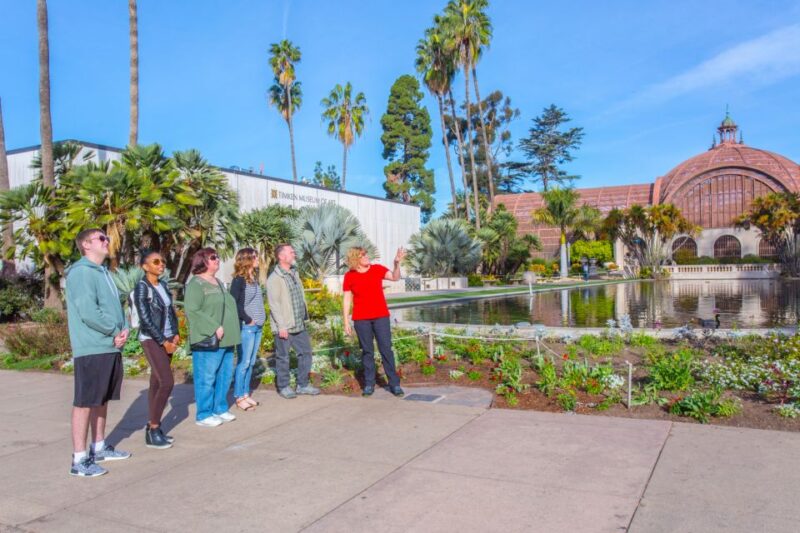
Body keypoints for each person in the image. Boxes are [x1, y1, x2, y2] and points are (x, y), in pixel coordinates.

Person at [65, 228, 132, 477]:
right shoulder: (81, 272)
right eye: (101, 238)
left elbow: (115, 307)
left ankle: (99, 447)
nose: (107, 241)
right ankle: (79, 459)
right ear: (85, 245)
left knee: (101, 399)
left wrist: (124, 328)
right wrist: (114, 330)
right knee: (85, 401)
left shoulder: (103, 272)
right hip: (92, 347)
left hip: (109, 345)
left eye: (107, 237)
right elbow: (88, 311)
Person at [184, 248, 241, 427]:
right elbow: (192, 311)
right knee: (206, 378)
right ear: (203, 261)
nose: (217, 260)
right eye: (213, 257)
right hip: (208, 338)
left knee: (224, 376)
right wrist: (213, 326)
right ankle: (203, 414)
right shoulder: (196, 284)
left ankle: (220, 408)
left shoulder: (217, 281)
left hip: (226, 338)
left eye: (217, 257)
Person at [343, 247, 405, 397]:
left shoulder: (377, 269)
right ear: (355, 258)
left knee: (386, 350)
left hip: (381, 317)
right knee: (367, 352)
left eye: (366, 254)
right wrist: (345, 321)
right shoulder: (349, 276)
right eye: (363, 255)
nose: (366, 256)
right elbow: (346, 299)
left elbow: (395, 277)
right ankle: (369, 384)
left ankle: (394, 384)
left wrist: (396, 264)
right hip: (361, 319)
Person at [133, 250, 179, 449]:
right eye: (156, 262)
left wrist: (175, 333)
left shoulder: (163, 285)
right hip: (152, 339)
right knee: (167, 382)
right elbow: (146, 319)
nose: (161, 265)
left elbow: (170, 311)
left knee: (156, 382)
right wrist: (163, 341)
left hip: (167, 337)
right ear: (145, 266)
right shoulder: (142, 287)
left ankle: (153, 429)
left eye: (163, 261)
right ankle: (153, 427)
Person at [266, 244, 319, 399]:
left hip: (298, 323)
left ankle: (302, 385)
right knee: (283, 357)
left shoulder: (294, 273)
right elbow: (274, 304)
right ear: (281, 256)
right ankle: (283, 386)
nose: (294, 253)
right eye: (291, 252)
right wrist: (281, 326)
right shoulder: (274, 278)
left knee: (306, 353)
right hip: (285, 326)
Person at [229, 248, 266, 411]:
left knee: (250, 363)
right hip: (247, 327)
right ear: (247, 259)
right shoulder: (238, 280)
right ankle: (238, 396)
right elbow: (234, 303)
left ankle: (245, 394)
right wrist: (248, 319)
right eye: (255, 256)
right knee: (243, 363)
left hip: (257, 327)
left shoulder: (253, 278)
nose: (258, 259)